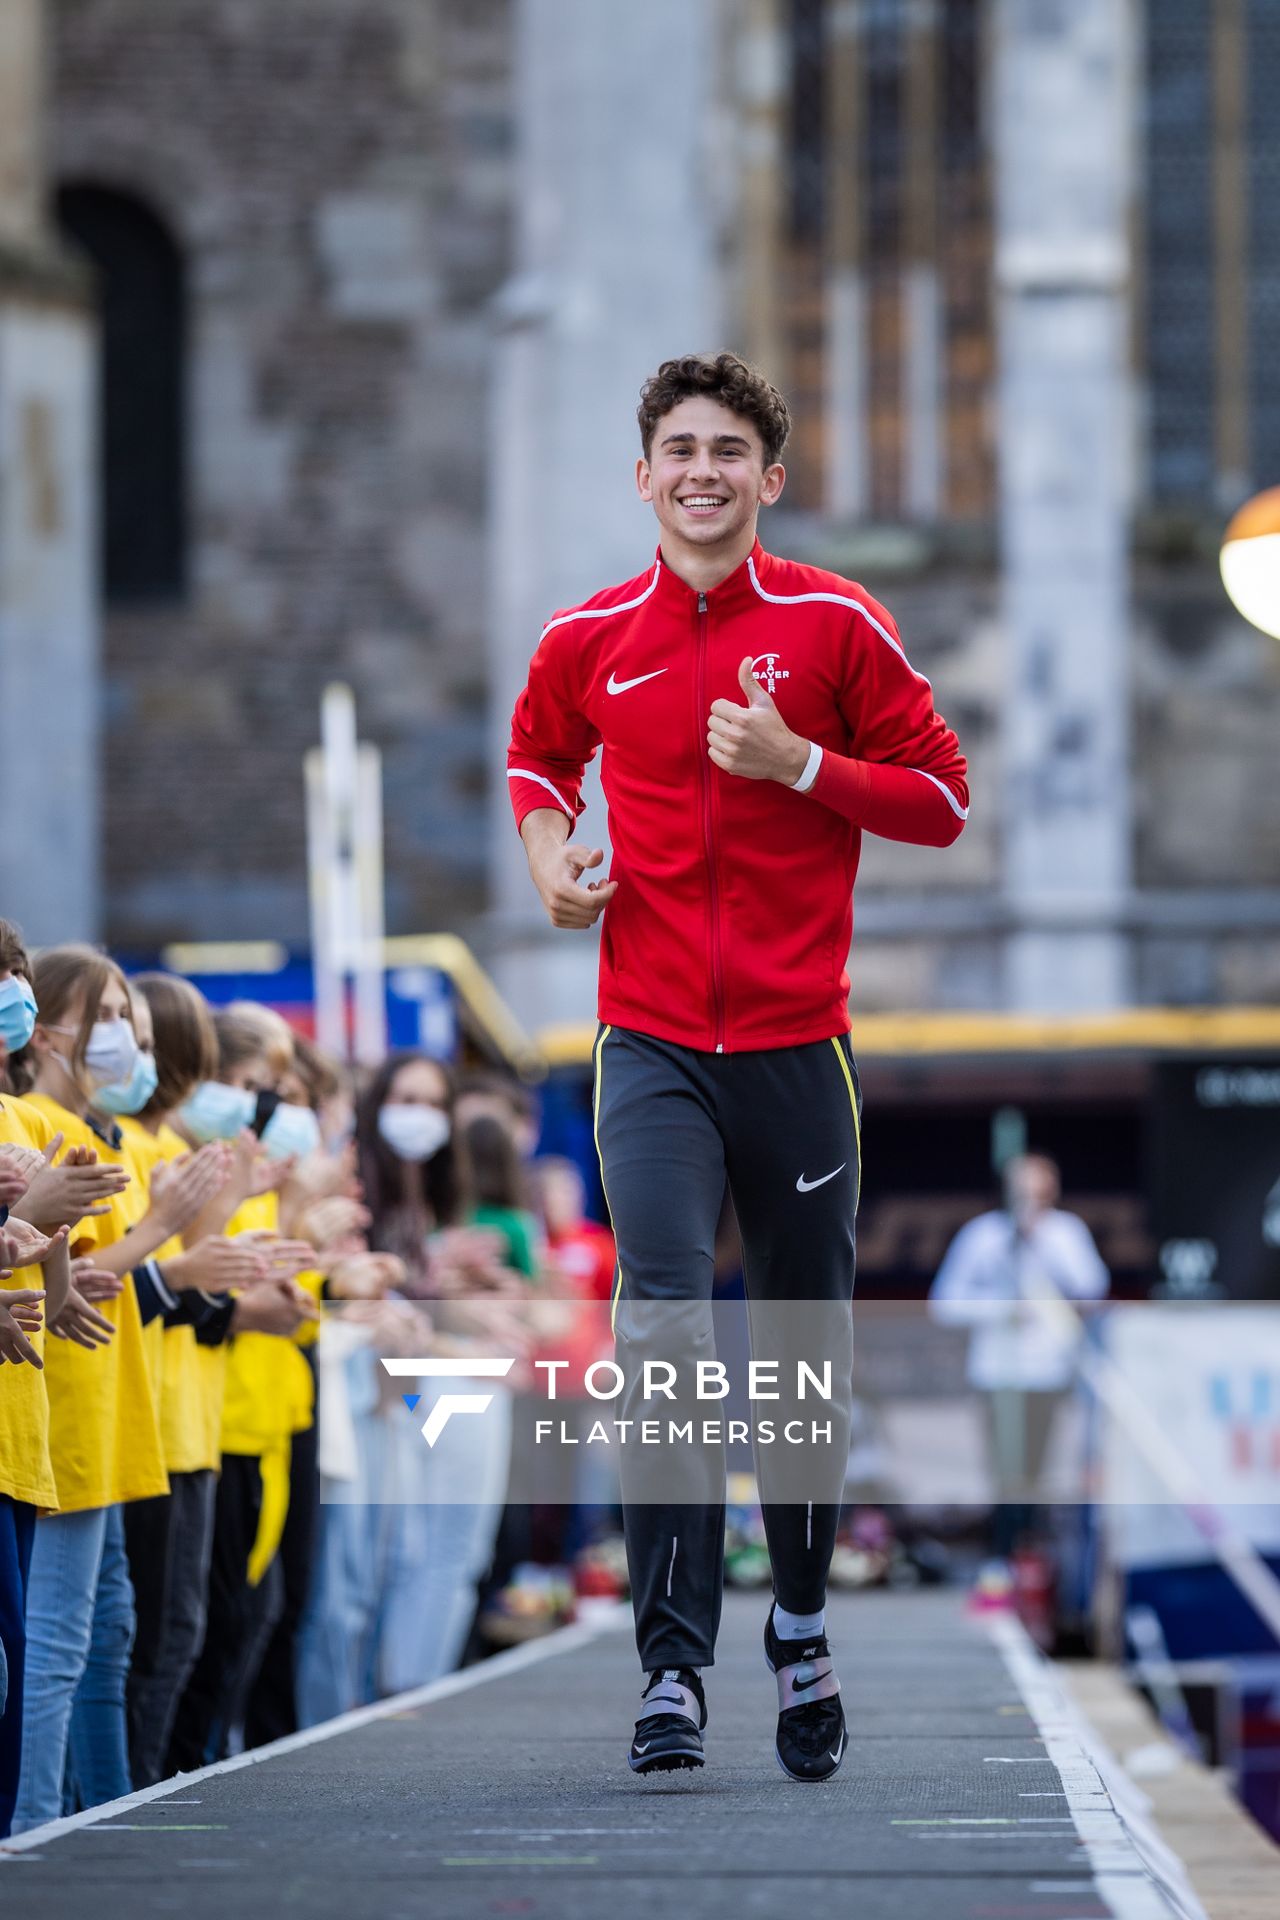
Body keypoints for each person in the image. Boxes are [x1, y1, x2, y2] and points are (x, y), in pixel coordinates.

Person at [507, 351, 968, 1779]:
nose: (702, 472)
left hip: (794, 1046)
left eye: (729, 453)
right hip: (646, 1038)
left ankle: (808, 1624)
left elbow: (944, 797)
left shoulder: (836, 621)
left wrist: (801, 766)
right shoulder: (591, 635)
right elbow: (536, 759)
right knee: (659, 1322)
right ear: (642, 475)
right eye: (678, 450)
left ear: (768, 479)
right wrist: (551, 867)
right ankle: (670, 1669)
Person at [929, 1153, 1110, 1559]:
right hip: (997, 1372)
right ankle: (1002, 1555)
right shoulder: (982, 1235)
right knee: (1004, 1472)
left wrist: (1041, 1241)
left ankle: (1034, 1559)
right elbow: (945, 1303)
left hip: (1049, 1371)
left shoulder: (1066, 1232)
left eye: (1040, 1191)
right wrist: (1001, 1309)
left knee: (1038, 1470)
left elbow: (1092, 1287)